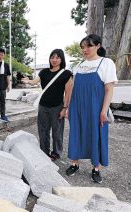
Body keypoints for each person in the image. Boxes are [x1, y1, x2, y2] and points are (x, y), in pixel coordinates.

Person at [66, 34, 117, 184]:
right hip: (77, 107)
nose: (85, 49)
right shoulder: (78, 66)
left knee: (97, 134)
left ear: (98, 46)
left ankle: (96, 168)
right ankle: (74, 163)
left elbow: (109, 90)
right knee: (76, 132)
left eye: (89, 46)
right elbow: (73, 89)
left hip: (96, 108)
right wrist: (68, 108)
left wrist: (103, 111)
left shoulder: (106, 63)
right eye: (82, 47)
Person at [22, 49, 73, 161]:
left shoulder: (66, 74)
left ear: (61, 59)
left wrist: (65, 108)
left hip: (57, 106)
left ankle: (56, 152)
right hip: (43, 106)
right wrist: (28, 81)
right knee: (43, 130)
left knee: (57, 131)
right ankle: (44, 151)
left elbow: (68, 93)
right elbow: (34, 81)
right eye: (52, 57)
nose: (54, 60)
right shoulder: (44, 72)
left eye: (57, 57)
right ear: (49, 58)